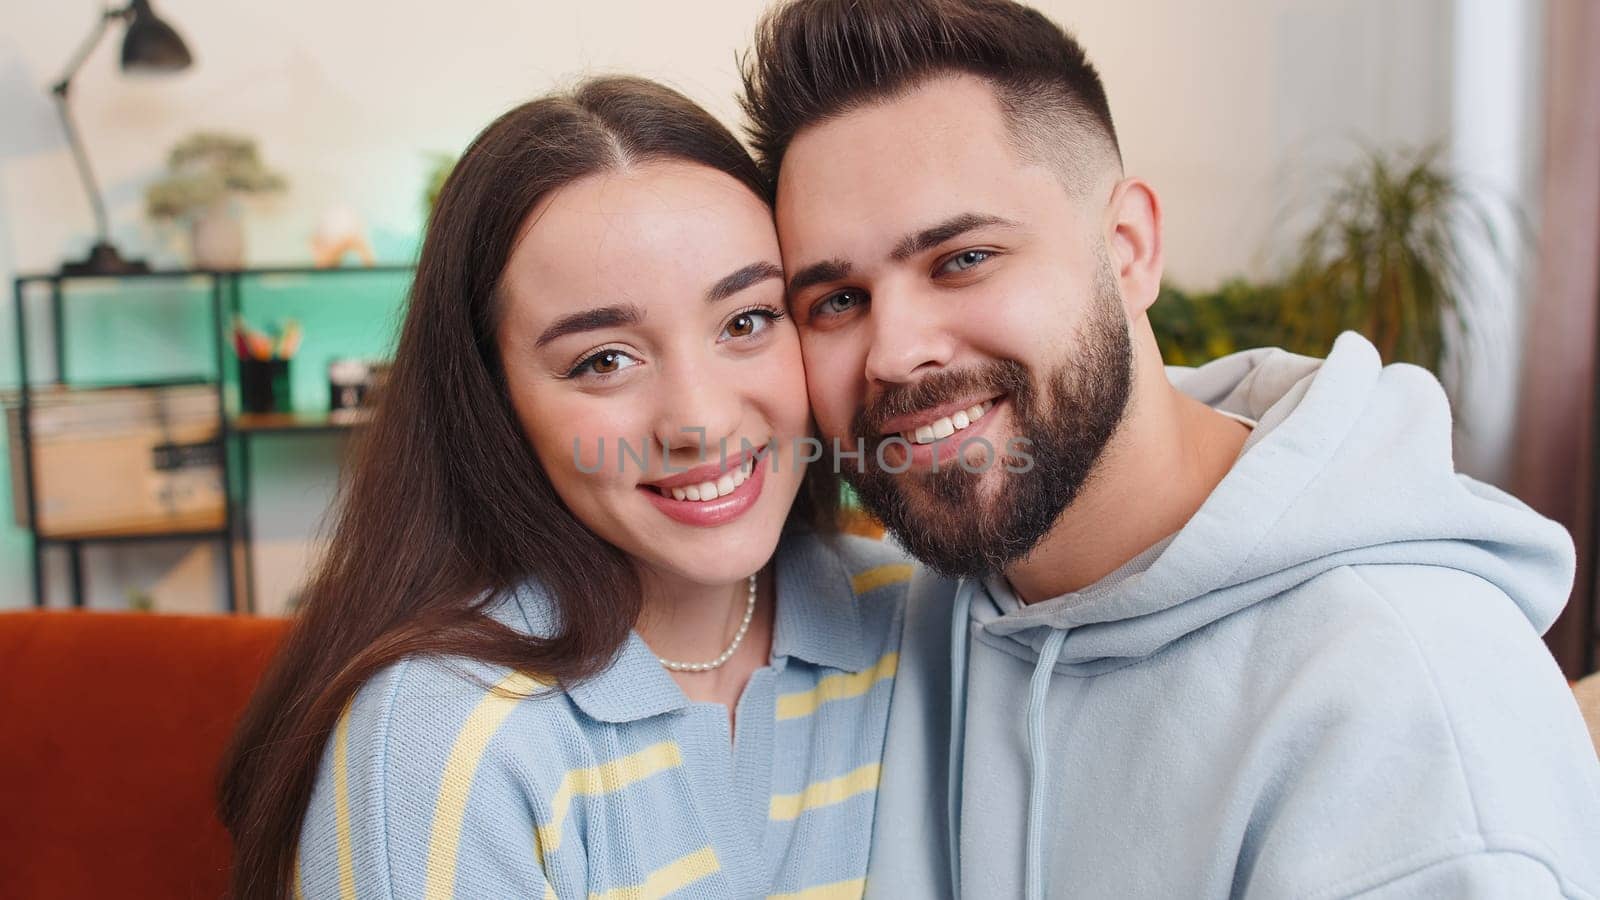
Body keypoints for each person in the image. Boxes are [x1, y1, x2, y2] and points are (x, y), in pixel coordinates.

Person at [740, 0, 1600, 896]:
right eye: (836, 300)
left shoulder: (1412, 734)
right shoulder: (927, 597)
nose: (893, 351)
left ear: (1129, 248)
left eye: (963, 259)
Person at [218, 76, 910, 900]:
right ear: (496, 405)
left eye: (746, 321)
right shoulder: (441, 738)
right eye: (603, 360)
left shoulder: (919, 623)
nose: (699, 419)